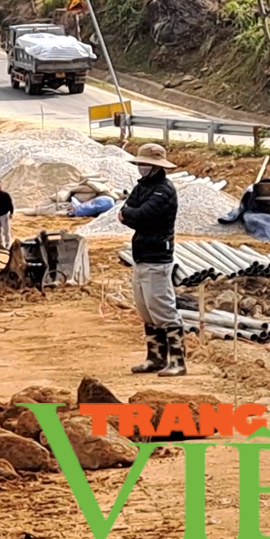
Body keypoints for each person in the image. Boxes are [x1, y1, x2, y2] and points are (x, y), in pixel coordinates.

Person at [119, 144, 183, 377]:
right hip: (142, 254)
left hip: (157, 255)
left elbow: (141, 215)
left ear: (156, 166)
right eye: (140, 164)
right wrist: (130, 215)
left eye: (145, 164)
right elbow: (128, 212)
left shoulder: (164, 190)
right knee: (146, 308)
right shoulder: (142, 188)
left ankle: (177, 360)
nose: (141, 167)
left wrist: (130, 215)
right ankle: (155, 357)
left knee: (162, 308)